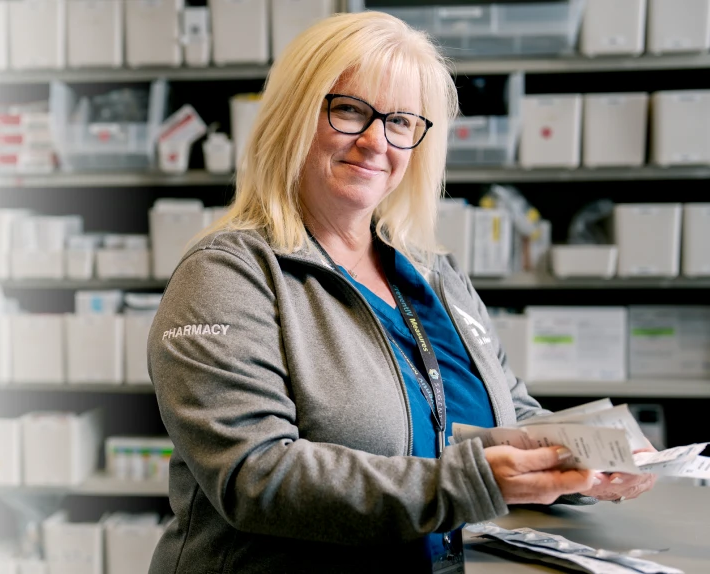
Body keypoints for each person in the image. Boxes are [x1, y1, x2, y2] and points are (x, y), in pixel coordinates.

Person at [146, 11, 656, 574]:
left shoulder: (434, 274)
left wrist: (588, 461)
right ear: (293, 116)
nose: (374, 141)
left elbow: (511, 416)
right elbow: (256, 475)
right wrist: (473, 482)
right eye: (348, 110)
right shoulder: (228, 275)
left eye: (401, 122)